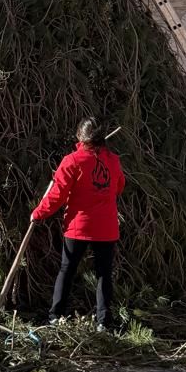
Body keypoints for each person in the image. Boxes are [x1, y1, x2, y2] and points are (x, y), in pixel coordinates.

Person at [31, 118, 126, 331]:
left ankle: (55, 316)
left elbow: (57, 195)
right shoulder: (113, 161)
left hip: (79, 227)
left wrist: (38, 214)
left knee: (67, 269)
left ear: (79, 137)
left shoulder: (72, 161)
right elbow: (119, 186)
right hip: (106, 227)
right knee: (104, 273)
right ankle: (104, 321)